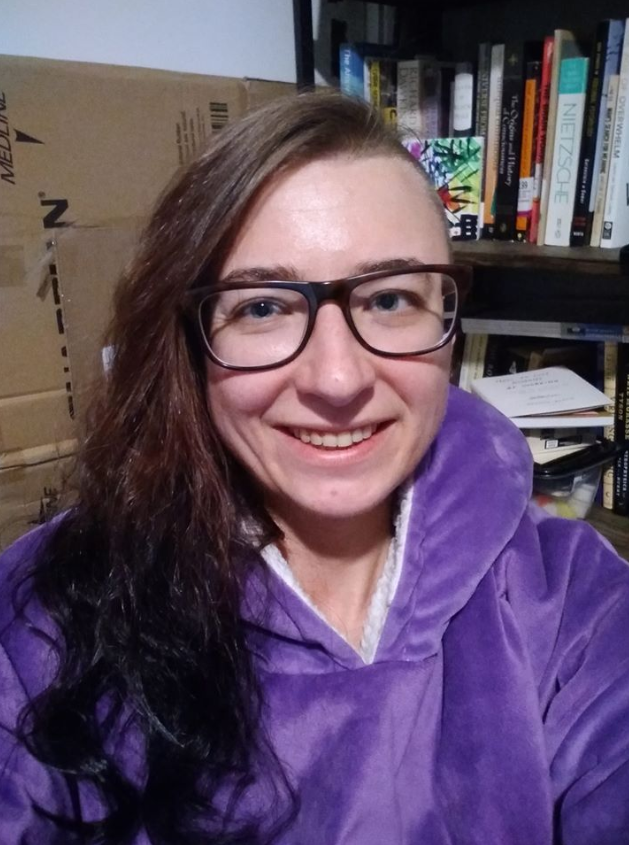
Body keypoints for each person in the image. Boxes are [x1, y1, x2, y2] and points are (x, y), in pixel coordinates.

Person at [1, 91, 629, 845]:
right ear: (189, 343)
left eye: (389, 298)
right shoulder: (46, 614)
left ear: (448, 322)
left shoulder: (572, 594)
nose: (337, 379)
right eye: (263, 308)